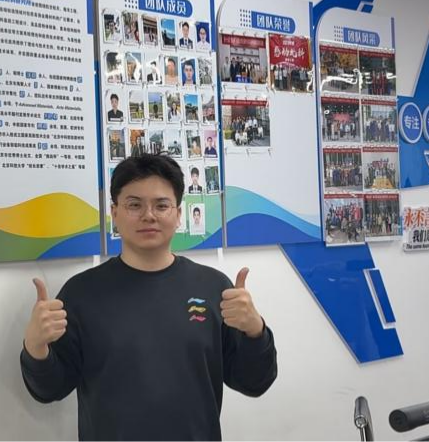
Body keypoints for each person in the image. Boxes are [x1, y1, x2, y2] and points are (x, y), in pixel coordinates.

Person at [21, 154, 277, 441]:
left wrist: (255, 331)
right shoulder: (81, 293)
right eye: (134, 205)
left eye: (161, 205)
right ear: (114, 213)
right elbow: (49, 389)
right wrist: (35, 346)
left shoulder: (214, 287)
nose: (148, 215)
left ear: (178, 214)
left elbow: (254, 382)